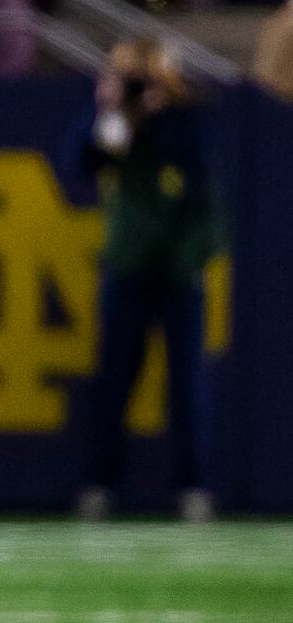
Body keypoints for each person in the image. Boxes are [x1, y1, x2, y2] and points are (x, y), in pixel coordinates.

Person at [74, 39, 222, 523]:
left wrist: (194, 258)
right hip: (129, 266)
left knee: (186, 385)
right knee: (114, 380)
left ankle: (192, 484)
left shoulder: (184, 121)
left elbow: (205, 199)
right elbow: (83, 164)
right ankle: (100, 482)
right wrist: (113, 110)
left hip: (178, 272)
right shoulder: (120, 123)